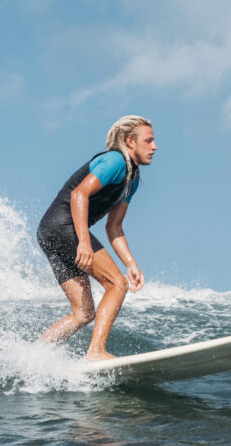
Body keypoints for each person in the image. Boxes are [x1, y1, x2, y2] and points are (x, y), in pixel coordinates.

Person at [37, 116, 157, 360]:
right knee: (117, 284)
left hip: (50, 231)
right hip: (63, 227)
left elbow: (114, 226)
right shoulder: (115, 161)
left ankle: (31, 357)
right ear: (130, 142)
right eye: (149, 140)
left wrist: (131, 264)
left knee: (83, 312)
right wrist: (83, 240)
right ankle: (96, 351)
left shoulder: (131, 180)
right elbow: (79, 194)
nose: (154, 147)